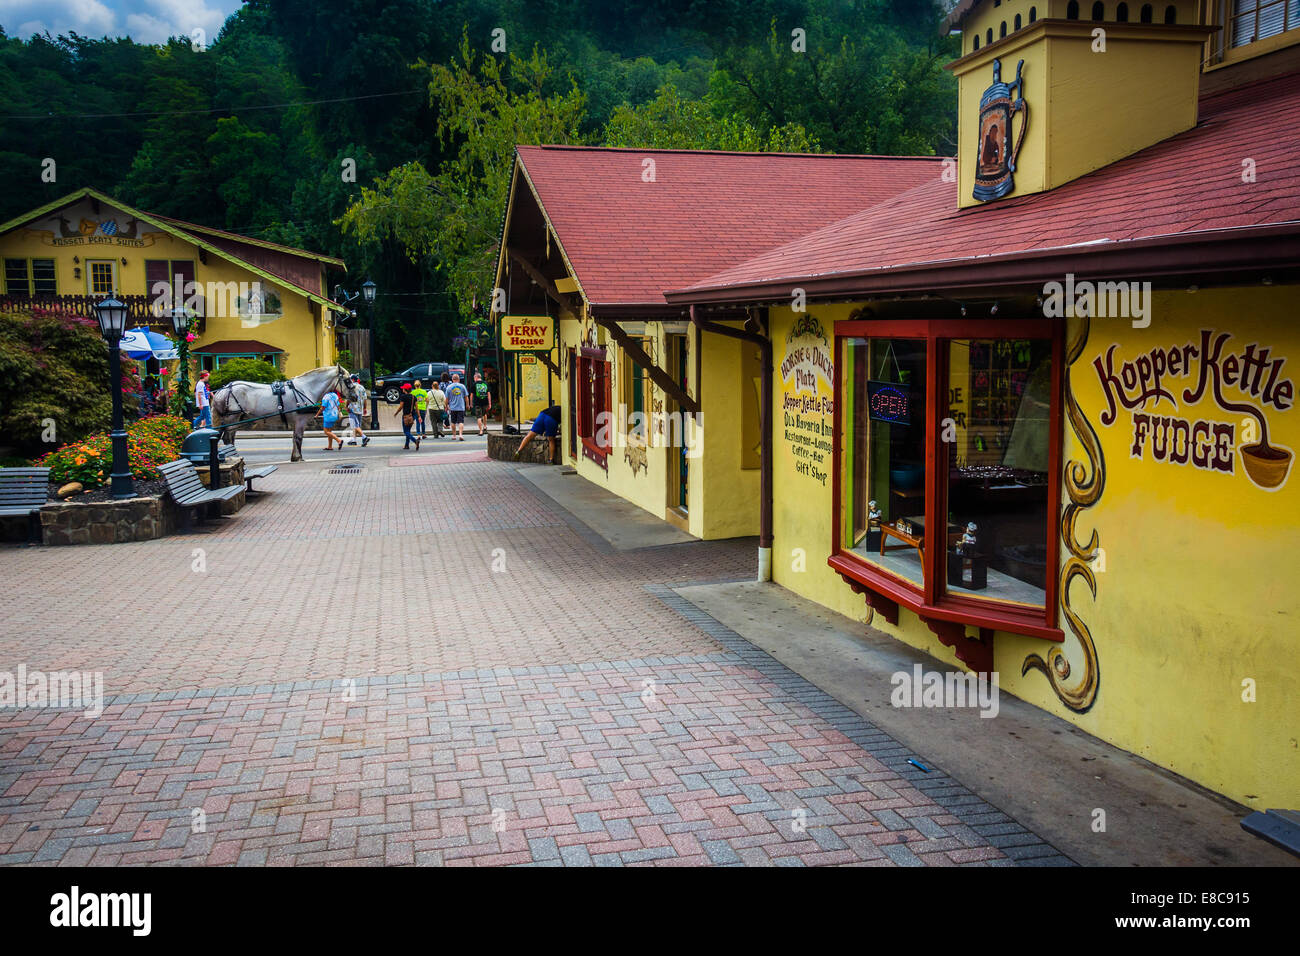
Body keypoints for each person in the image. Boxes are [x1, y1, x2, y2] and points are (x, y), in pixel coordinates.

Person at [346, 374, 370, 446]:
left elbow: (349, 398)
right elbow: (365, 399)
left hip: (352, 409)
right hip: (360, 409)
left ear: (352, 380)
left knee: (355, 425)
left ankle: (364, 437)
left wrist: (346, 406)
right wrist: (365, 408)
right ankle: (354, 440)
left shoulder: (351, 387)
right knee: (357, 425)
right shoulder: (362, 387)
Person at [395, 383, 421, 450]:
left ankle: (415, 441)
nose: (402, 389)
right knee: (408, 430)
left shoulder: (403, 397)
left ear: (405, 389)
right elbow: (417, 408)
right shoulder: (413, 397)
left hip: (406, 416)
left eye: (403, 388)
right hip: (413, 416)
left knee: (406, 432)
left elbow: (401, 406)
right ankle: (406, 445)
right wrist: (419, 416)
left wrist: (396, 413)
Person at [445, 373, 470, 441]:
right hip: (461, 407)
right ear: (458, 379)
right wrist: (467, 405)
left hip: (452, 407)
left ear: (452, 379)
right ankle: (461, 435)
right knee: (461, 422)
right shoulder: (462, 386)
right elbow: (466, 397)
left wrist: (446, 406)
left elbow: (446, 399)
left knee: (453, 422)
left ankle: (454, 435)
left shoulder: (449, 387)